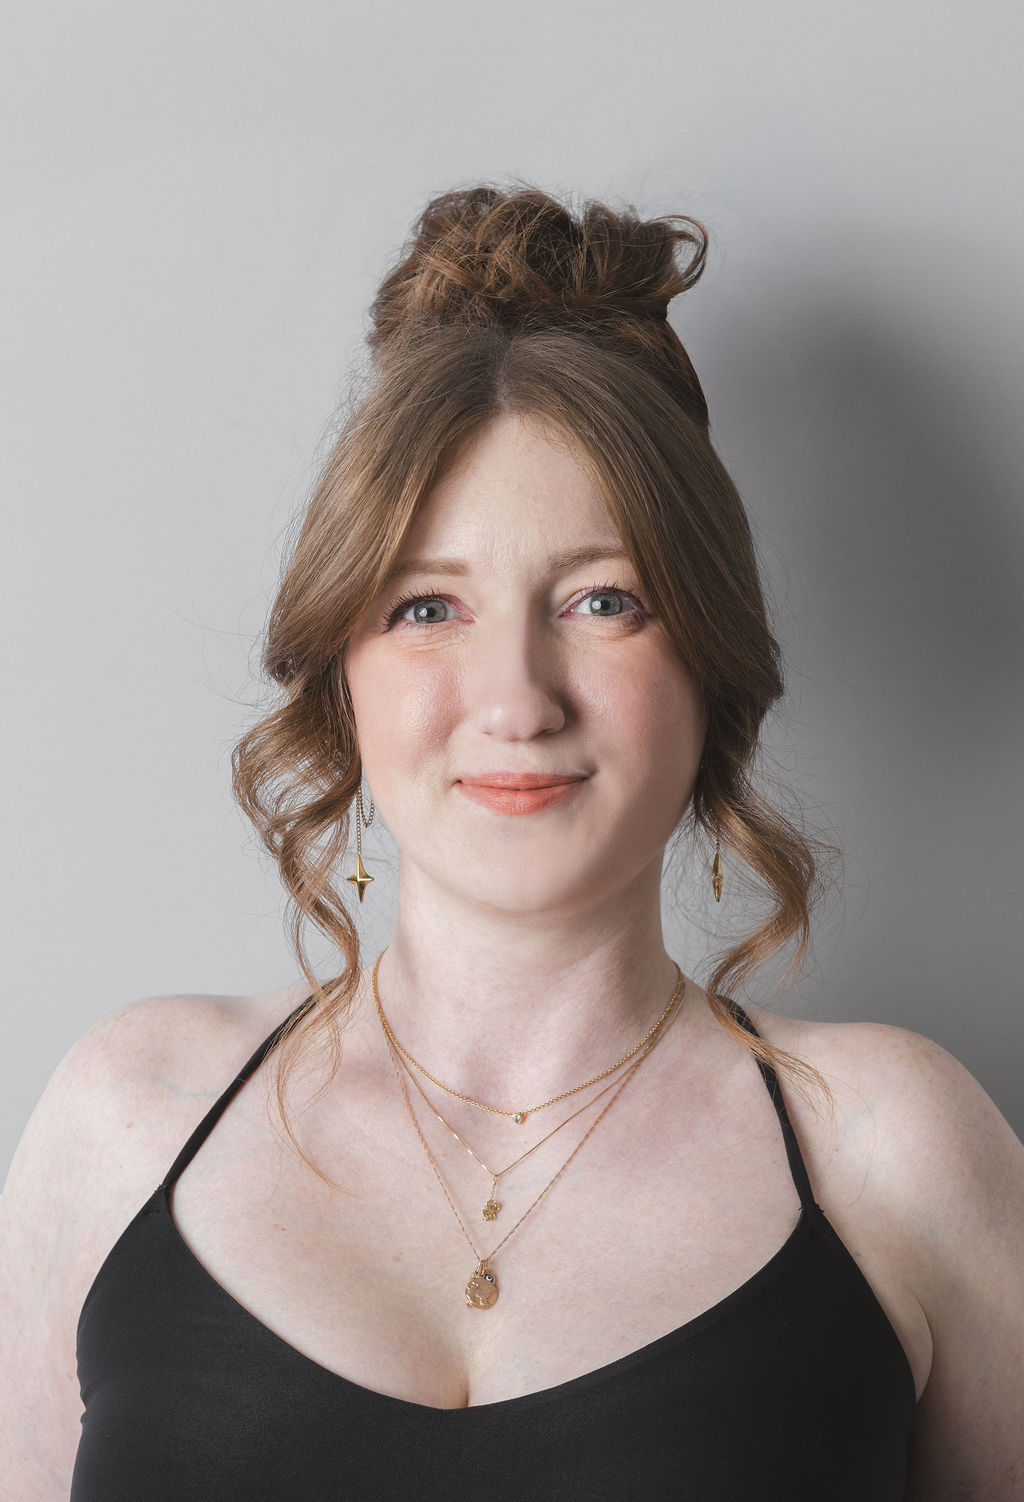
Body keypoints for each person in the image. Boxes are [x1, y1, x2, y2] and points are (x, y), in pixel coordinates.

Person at [2, 183, 1022, 1502]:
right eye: (429, 605)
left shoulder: (899, 1151)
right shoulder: (126, 1122)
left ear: (708, 659)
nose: (517, 699)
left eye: (602, 600)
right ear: (342, 672)